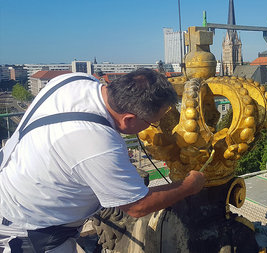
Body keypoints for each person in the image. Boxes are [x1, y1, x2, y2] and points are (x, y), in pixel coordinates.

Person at [0, 68, 205, 252]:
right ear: (129, 119)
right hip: (32, 232)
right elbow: (137, 206)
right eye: (153, 122)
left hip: (13, 188)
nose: (155, 125)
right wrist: (189, 185)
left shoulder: (75, 80)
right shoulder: (98, 143)